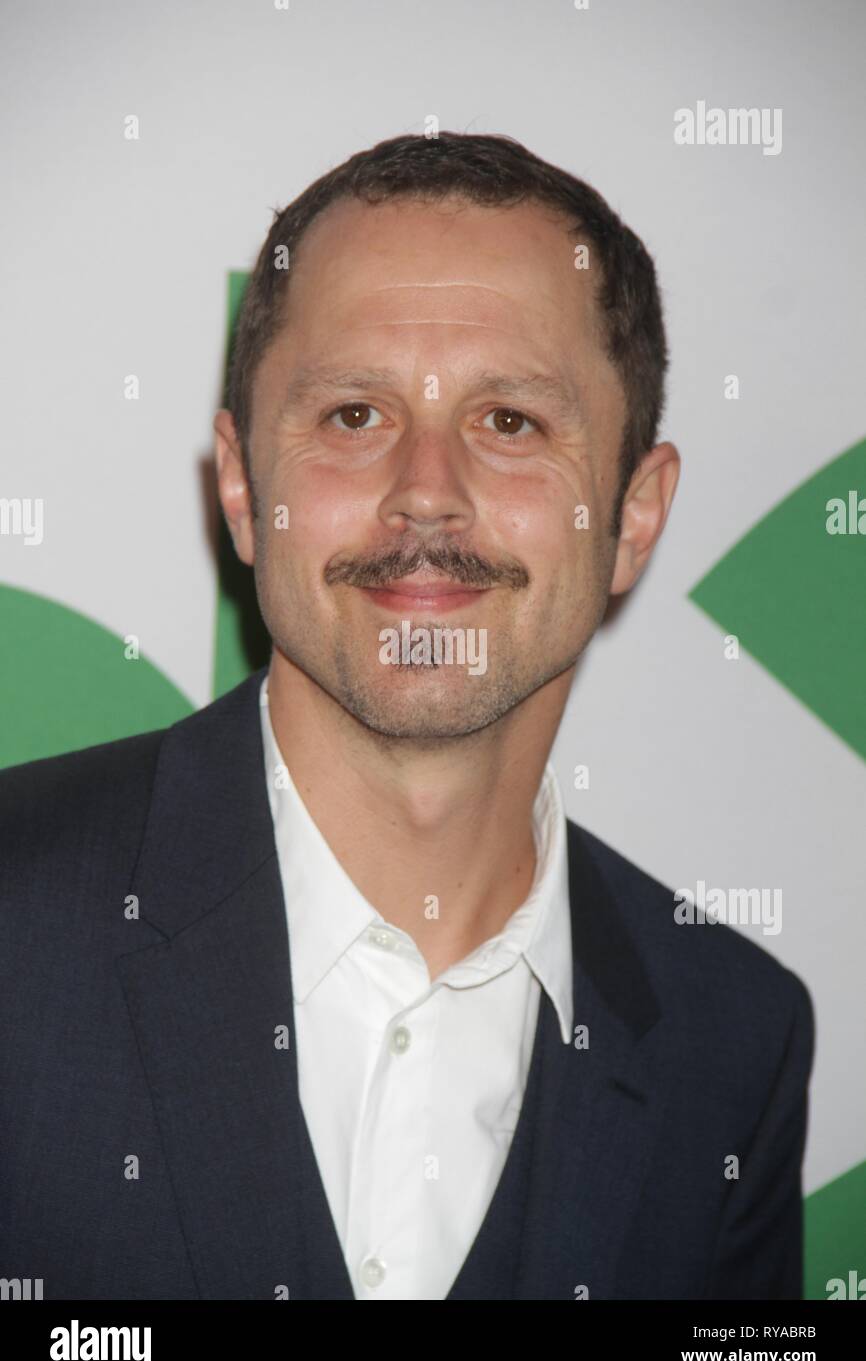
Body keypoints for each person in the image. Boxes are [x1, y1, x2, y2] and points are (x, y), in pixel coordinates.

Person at [0, 132, 814, 1300]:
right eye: (350, 415)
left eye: (510, 423)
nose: (425, 489)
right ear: (242, 490)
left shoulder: (731, 1040)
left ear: (633, 516)